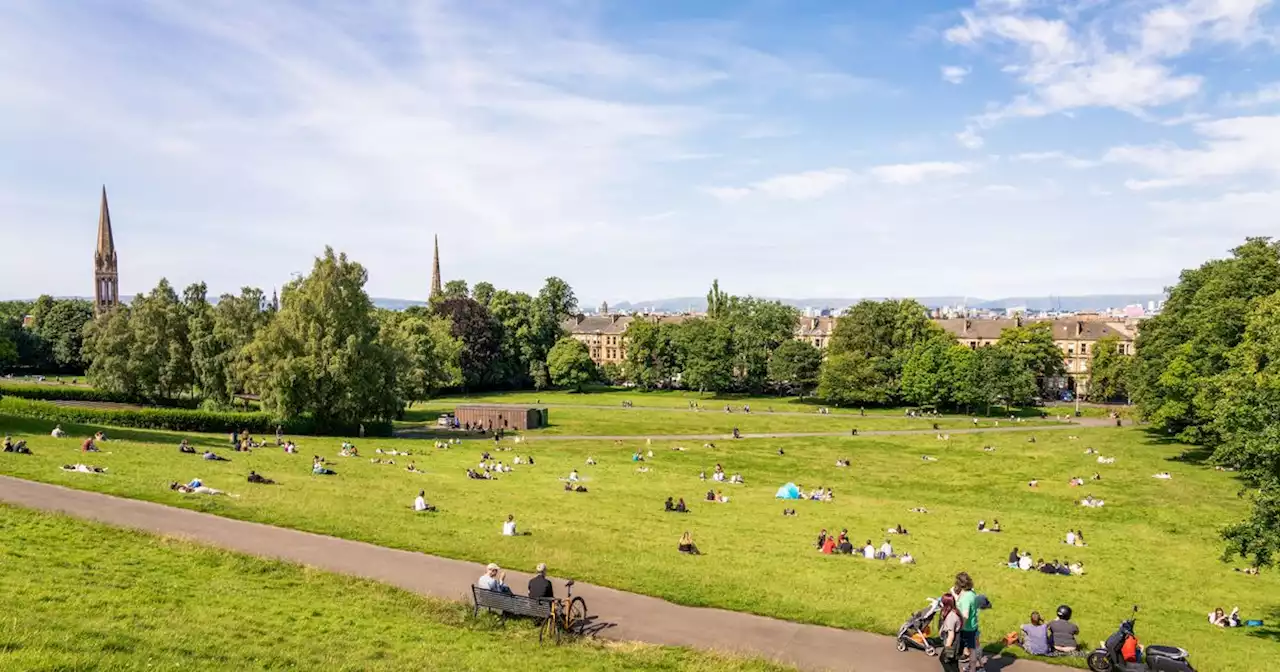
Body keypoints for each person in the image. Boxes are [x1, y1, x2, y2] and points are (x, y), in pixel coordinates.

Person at [953, 572, 981, 672]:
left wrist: (959, 628)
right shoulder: (971, 593)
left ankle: (971, 669)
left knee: (969, 649)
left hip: (966, 628)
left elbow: (965, 615)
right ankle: (972, 668)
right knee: (972, 648)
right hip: (973, 625)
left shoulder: (966, 598)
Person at [938, 593, 963, 672]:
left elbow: (951, 635)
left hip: (952, 643)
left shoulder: (951, 617)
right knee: (953, 662)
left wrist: (947, 648)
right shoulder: (955, 611)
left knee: (945, 660)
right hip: (958, 641)